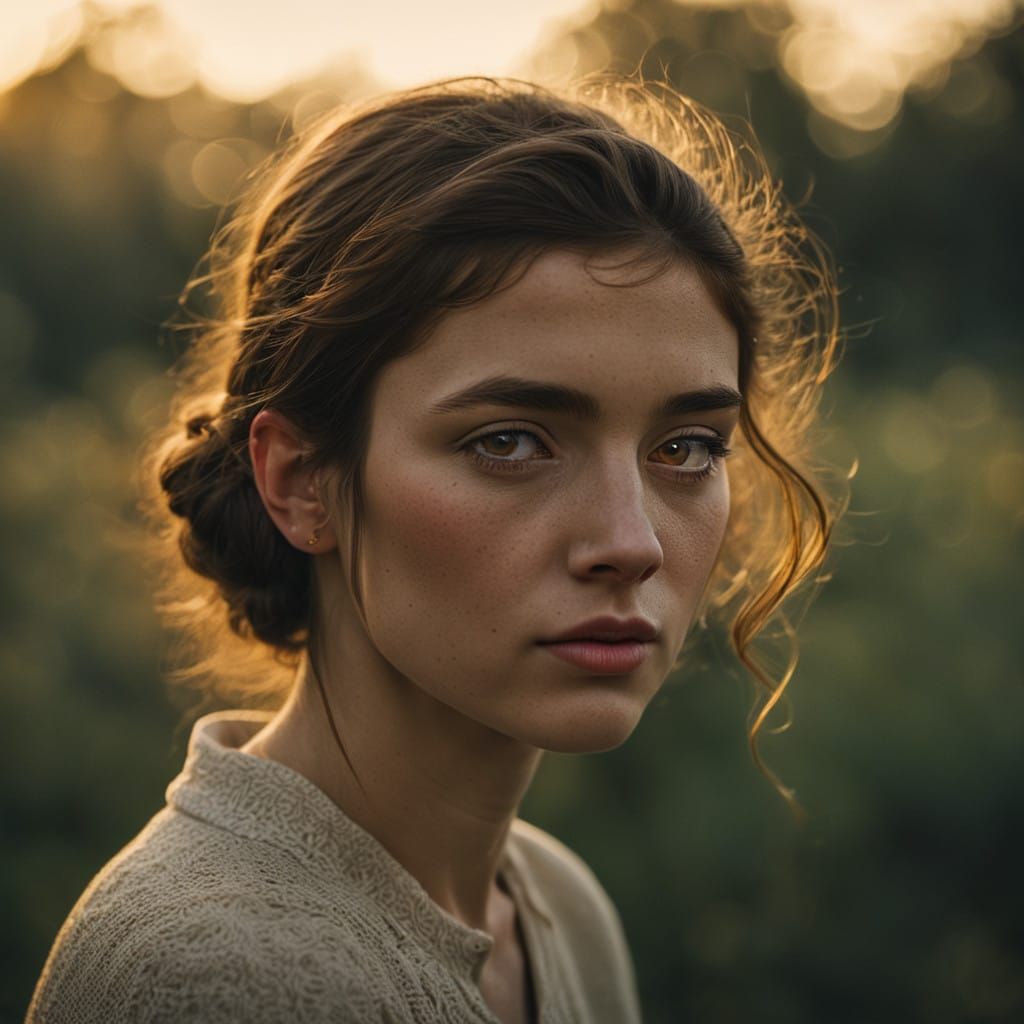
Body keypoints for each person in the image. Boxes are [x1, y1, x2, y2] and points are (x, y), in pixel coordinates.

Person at [26, 76, 842, 1023]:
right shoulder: (229, 977)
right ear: (299, 482)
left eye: (685, 449)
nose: (631, 543)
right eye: (510, 441)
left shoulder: (559, 912)